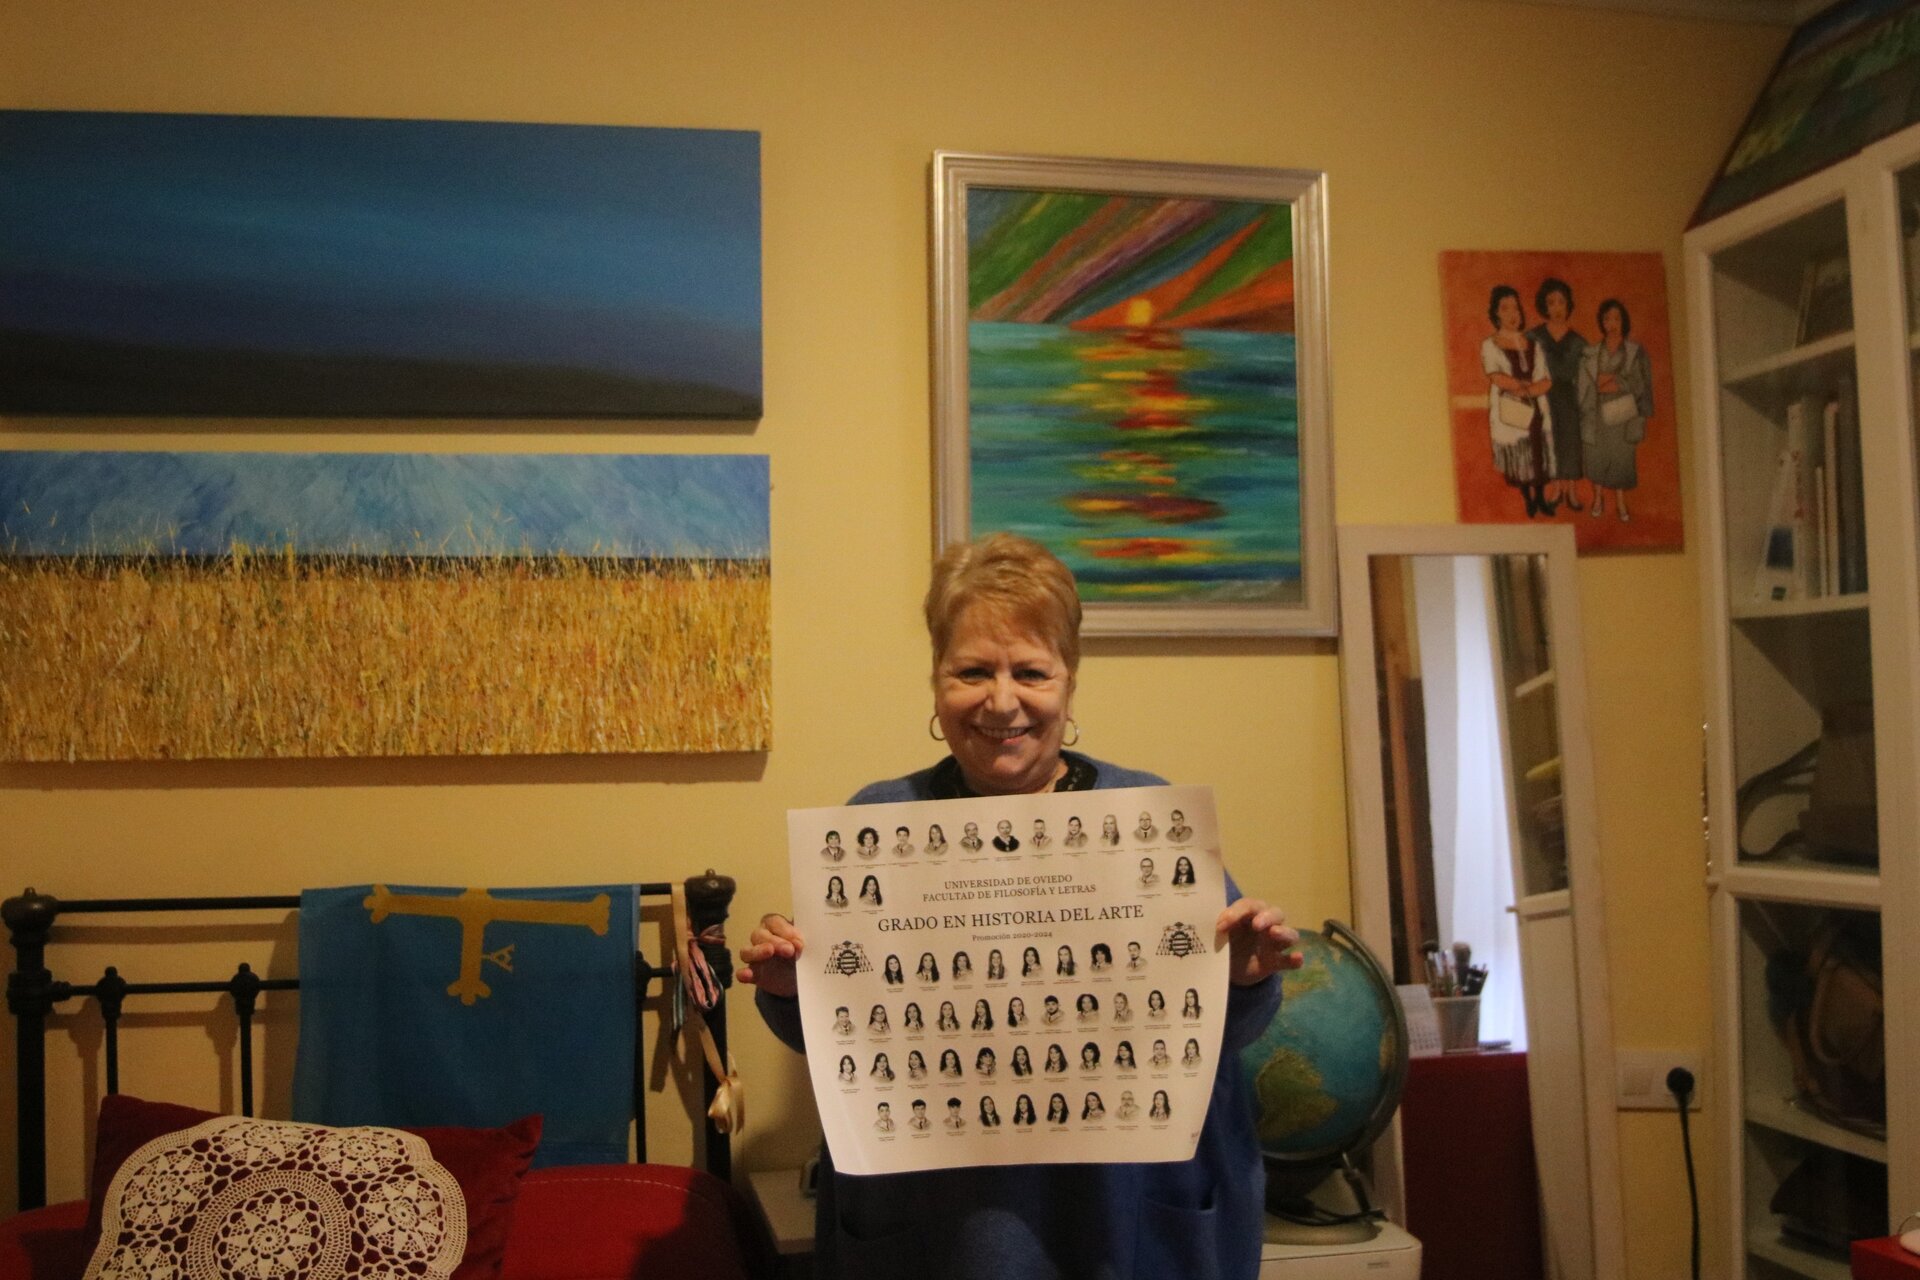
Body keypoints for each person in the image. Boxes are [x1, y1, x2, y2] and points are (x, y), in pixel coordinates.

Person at [740, 533, 1301, 1280]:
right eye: (972, 671)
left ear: (1070, 681)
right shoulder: (874, 825)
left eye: (1030, 672)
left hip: (1122, 1217)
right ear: (936, 681)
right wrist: (790, 989)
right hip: (943, 1228)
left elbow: (1222, 1032)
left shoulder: (1147, 816)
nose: (1001, 701)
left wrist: (1245, 978)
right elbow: (842, 1041)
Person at [1481, 283, 1558, 519]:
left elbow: (1546, 379)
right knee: (1520, 456)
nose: (1512, 314)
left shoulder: (1534, 344)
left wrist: (1531, 390)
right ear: (1496, 313)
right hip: (1511, 409)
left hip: (1536, 410)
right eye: (1505, 309)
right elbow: (1496, 376)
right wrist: (1521, 388)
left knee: (1538, 456)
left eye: (1515, 307)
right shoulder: (1490, 345)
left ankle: (1541, 498)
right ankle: (1528, 500)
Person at [1579, 296, 1654, 522]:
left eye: (1616, 319)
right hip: (1597, 413)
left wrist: (1615, 383)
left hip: (1623, 413)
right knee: (1597, 456)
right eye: (1607, 319)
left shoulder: (1634, 352)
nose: (1611, 324)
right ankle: (1598, 498)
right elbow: (1586, 384)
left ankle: (1621, 502)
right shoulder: (1592, 352)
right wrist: (1604, 382)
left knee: (1621, 458)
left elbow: (1639, 384)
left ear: (1624, 322)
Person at [1528, 277, 1590, 514]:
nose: (1556, 308)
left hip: (1569, 398)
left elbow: (1585, 375)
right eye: (1551, 302)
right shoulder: (1534, 337)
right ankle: (1555, 489)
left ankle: (1571, 491)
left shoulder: (1579, 342)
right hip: (1544, 397)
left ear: (1568, 305)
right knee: (1549, 441)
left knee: (1570, 443)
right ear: (1544, 306)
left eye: (1561, 302)